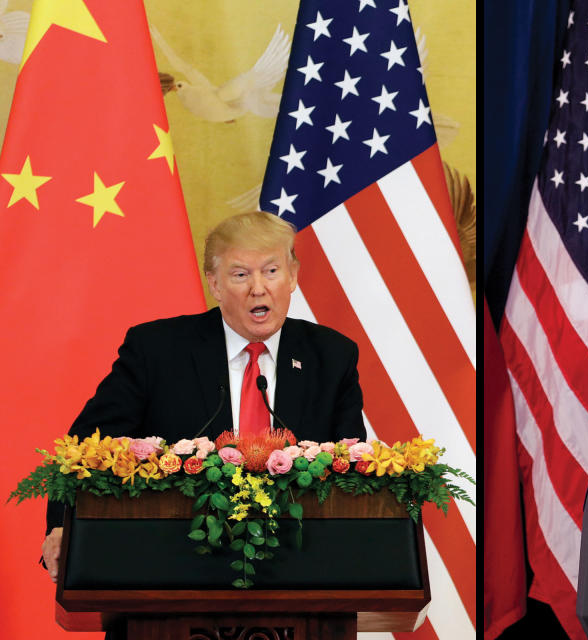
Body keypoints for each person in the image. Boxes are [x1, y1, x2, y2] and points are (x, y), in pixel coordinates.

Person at [41, 211, 365, 584]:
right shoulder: (157, 351)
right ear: (215, 283)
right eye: (240, 274)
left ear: (292, 276)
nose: (258, 288)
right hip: (168, 572)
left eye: (271, 271)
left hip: (299, 572)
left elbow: (350, 467)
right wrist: (63, 527)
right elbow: (86, 447)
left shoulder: (332, 356)